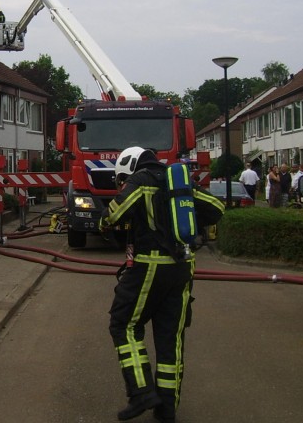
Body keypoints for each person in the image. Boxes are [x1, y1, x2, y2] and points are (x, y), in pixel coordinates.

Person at [101, 147, 224, 422]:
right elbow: (216, 208)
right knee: (171, 338)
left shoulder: (140, 180)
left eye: (122, 178)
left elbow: (114, 214)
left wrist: (102, 221)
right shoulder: (177, 180)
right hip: (182, 267)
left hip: (149, 265)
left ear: (129, 166)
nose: (123, 183)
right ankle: (166, 408)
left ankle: (141, 391)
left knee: (124, 324)